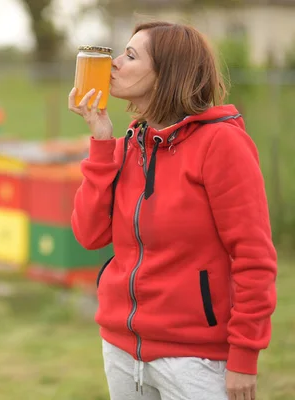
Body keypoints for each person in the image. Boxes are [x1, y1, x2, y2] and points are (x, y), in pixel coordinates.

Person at [69, 21, 277, 400]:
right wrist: (101, 140)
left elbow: (254, 258)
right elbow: (89, 235)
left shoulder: (221, 144)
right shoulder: (130, 143)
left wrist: (244, 357)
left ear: (168, 75)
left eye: (131, 56)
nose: (114, 63)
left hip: (195, 359)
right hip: (121, 350)